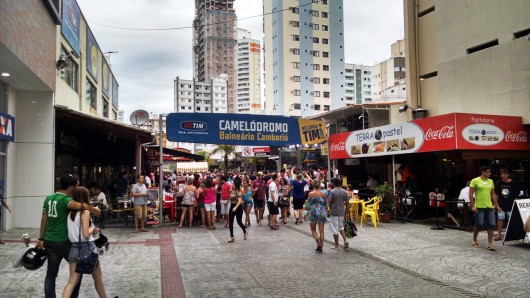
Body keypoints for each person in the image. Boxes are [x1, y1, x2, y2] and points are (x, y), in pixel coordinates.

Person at [36, 174, 101, 298]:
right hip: (63, 242)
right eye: (77, 185)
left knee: (51, 275)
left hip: (50, 241)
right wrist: (95, 210)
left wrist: (41, 238)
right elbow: (82, 206)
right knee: (77, 271)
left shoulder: (49, 198)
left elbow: (44, 219)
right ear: (71, 187)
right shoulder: (66, 200)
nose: (78, 188)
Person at [62, 187, 107, 298]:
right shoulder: (85, 212)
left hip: (74, 248)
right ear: (85, 197)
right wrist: (93, 228)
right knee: (97, 278)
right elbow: (86, 234)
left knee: (71, 282)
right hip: (87, 248)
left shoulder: (70, 213)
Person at [469, 166, 499, 251]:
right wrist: (473, 205)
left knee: (492, 224)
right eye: (488, 172)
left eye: (490, 172)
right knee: (479, 224)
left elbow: (492, 194)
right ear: (483, 172)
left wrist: (496, 204)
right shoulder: (475, 180)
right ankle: (474, 239)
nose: (490, 173)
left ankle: (490, 243)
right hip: (479, 206)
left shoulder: (490, 181)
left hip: (489, 206)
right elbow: (471, 194)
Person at [494, 168, 519, 241]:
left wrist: (515, 206)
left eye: (504, 174)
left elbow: (516, 196)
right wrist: (496, 205)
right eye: (501, 174)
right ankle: (498, 235)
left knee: (511, 220)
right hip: (501, 205)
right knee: (500, 219)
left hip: (510, 205)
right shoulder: (498, 183)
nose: (503, 176)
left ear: (508, 175)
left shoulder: (513, 183)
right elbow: (496, 195)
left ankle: (512, 235)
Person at [328, 178, 350, 250]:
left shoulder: (332, 192)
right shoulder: (344, 192)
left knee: (335, 228)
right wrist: (347, 212)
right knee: (341, 227)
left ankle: (336, 245)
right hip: (341, 212)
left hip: (334, 212)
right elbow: (347, 203)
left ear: (333, 183)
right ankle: (345, 240)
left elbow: (328, 201)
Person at [307, 181, 328, 253]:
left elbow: (308, 204)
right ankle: (321, 245)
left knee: (313, 230)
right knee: (321, 231)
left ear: (312, 185)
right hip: (322, 212)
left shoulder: (310, 194)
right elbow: (326, 204)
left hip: (313, 212)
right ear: (319, 186)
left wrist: (307, 212)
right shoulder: (323, 194)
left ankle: (318, 243)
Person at [228, 177, 247, 243]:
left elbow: (239, 201)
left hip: (238, 207)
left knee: (239, 222)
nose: (232, 184)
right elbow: (230, 199)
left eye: (233, 184)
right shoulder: (231, 190)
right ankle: (232, 237)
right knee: (230, 221)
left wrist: (235, 207)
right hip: (232, 206)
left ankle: (245, 231)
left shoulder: (238, 191)